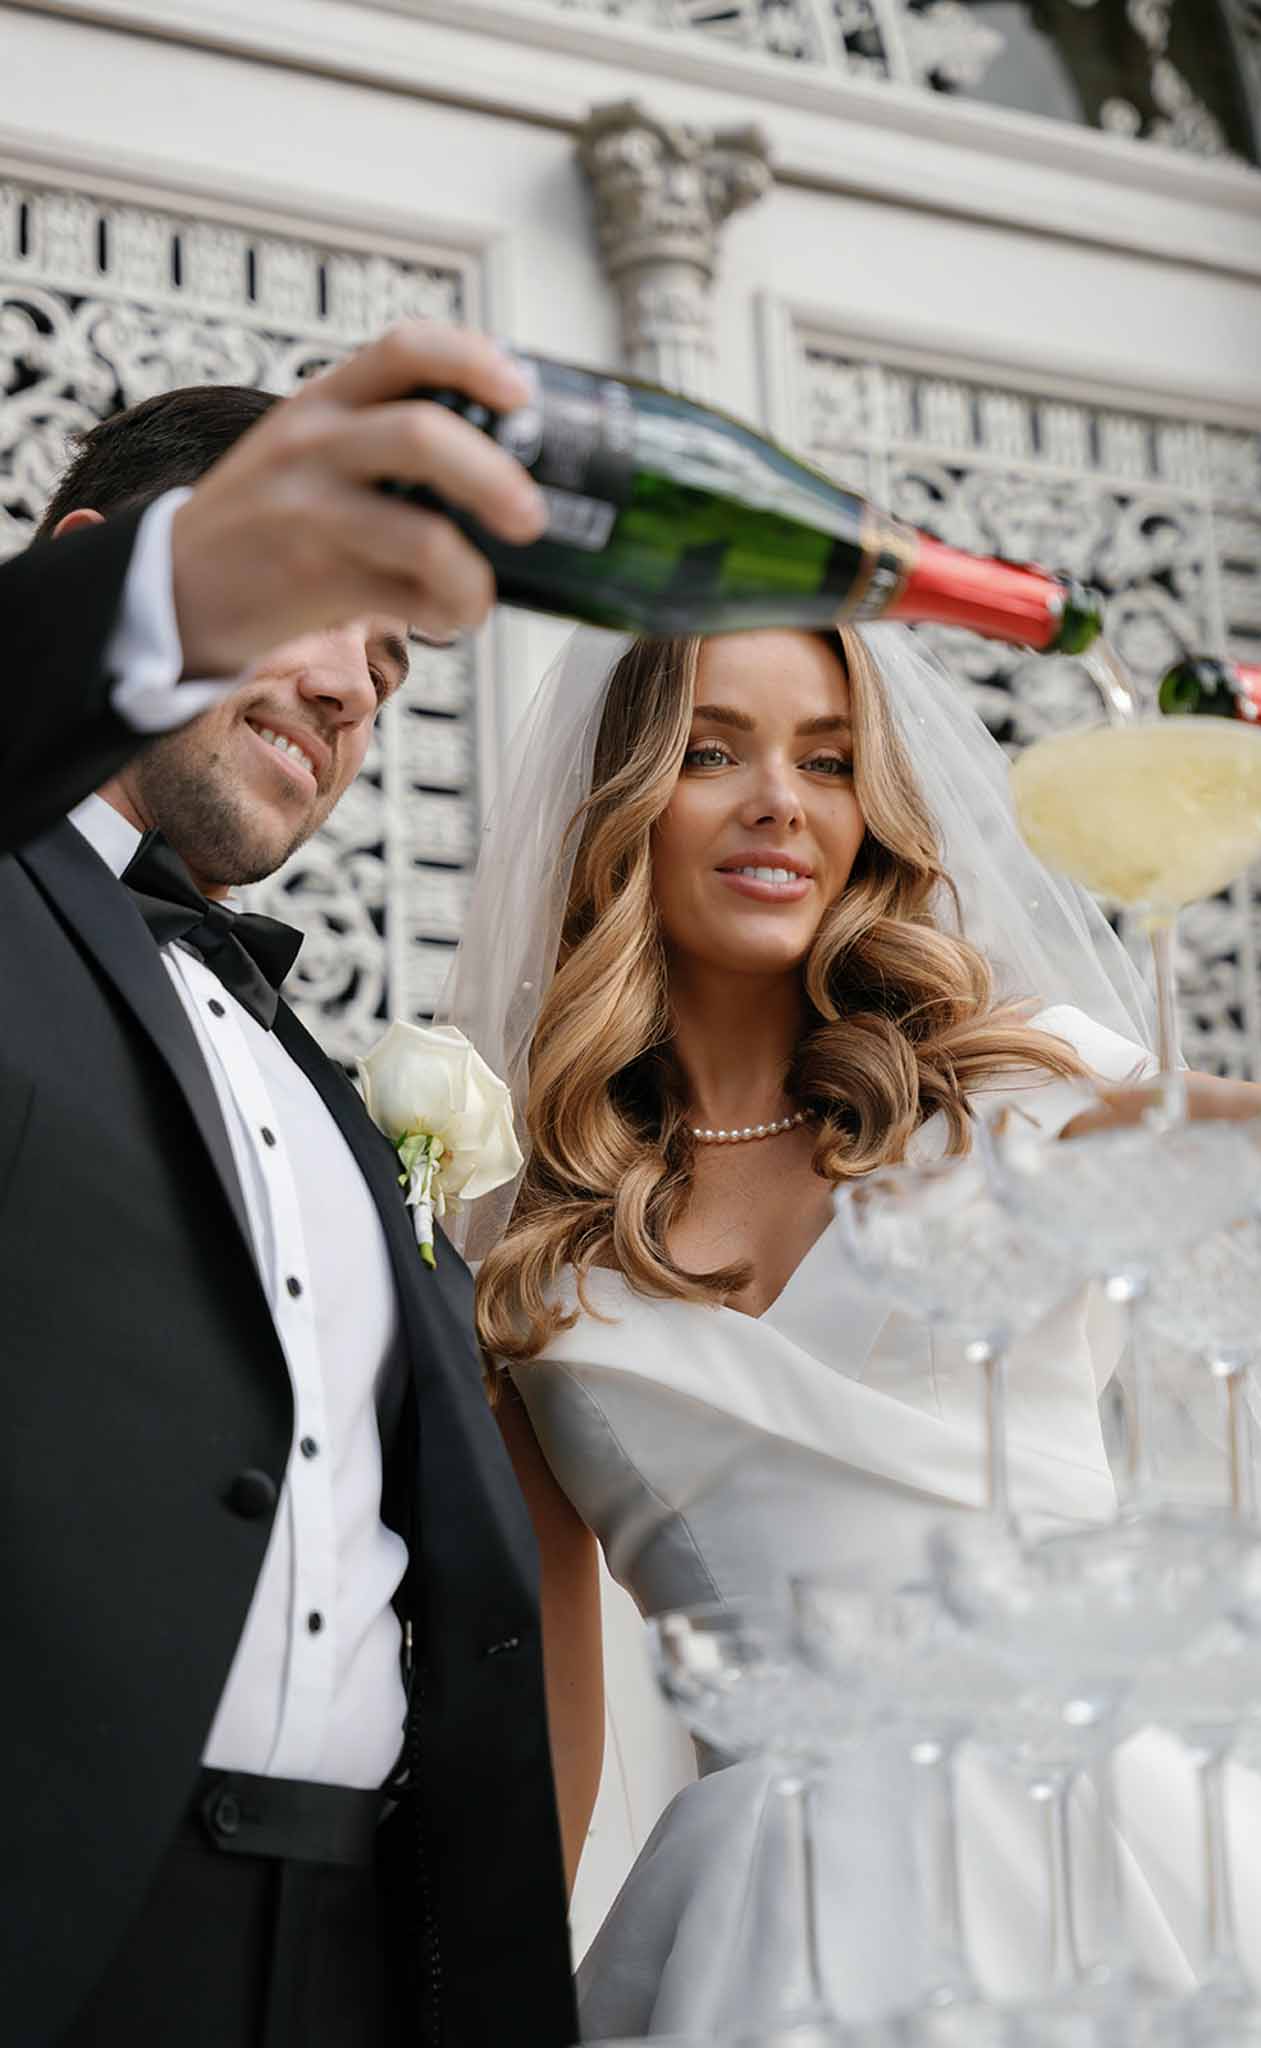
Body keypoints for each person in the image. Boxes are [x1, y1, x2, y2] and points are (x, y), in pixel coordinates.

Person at [441, 620, 1261, 2036]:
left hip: (1113, 1852)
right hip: (773, 1911)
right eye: (708, 752)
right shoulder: (520, 1242)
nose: (778, 802)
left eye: (827, 761)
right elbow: (548, 1715)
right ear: (619, 806)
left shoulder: (1016, 1100)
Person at [0, 327, 578, 2048]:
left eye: (393, 670)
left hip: (350, 1957)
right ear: (102, 578)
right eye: (322, 602)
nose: (352, 693)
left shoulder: (311, 1073)